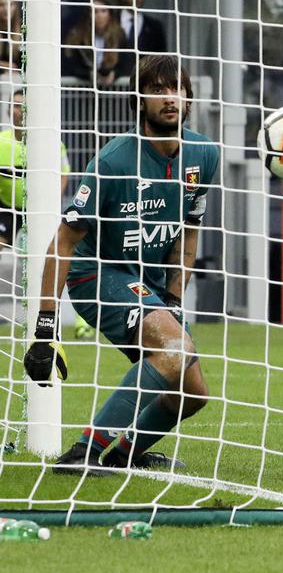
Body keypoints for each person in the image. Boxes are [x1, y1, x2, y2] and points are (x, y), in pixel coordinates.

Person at [24, 55, 221, 476]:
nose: (170, 98)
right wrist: (45, 327)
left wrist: (172, 294)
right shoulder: (113, 161)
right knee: (174, 349)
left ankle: (125, 453)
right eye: (158, 90)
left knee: (193, 393)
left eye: (177, 89)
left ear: (188, 98)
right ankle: (83, 452)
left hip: (148, 282)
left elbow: (190, 227)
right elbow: (63, 240)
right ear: (139, 100)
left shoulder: (204, 154)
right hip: (97, 275)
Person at [0, 90, 71, 245]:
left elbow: (63, 174)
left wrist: (52, 200)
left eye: (24, 106)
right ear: (8, 110)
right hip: (7, 206)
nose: (21, 111)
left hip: (39, 208)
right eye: (16, 106)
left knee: (45, 247)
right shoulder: (1, 142)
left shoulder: (52, 143)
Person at [62, 0, 125, 86]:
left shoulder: (119, 35)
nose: (99, 15)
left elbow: (126, 62)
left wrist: (114, 74)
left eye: (103, 11)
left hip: (112, 92)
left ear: (110, 14)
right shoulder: (78, 36)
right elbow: (71, 64)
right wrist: (89, 75)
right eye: (95, 11)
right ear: (88, 15)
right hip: (84, 91)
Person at [115, 0, 168, 77]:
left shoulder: (155, 27)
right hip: (113, 87)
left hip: (144, 86)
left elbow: (161, 60)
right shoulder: (111, 20)